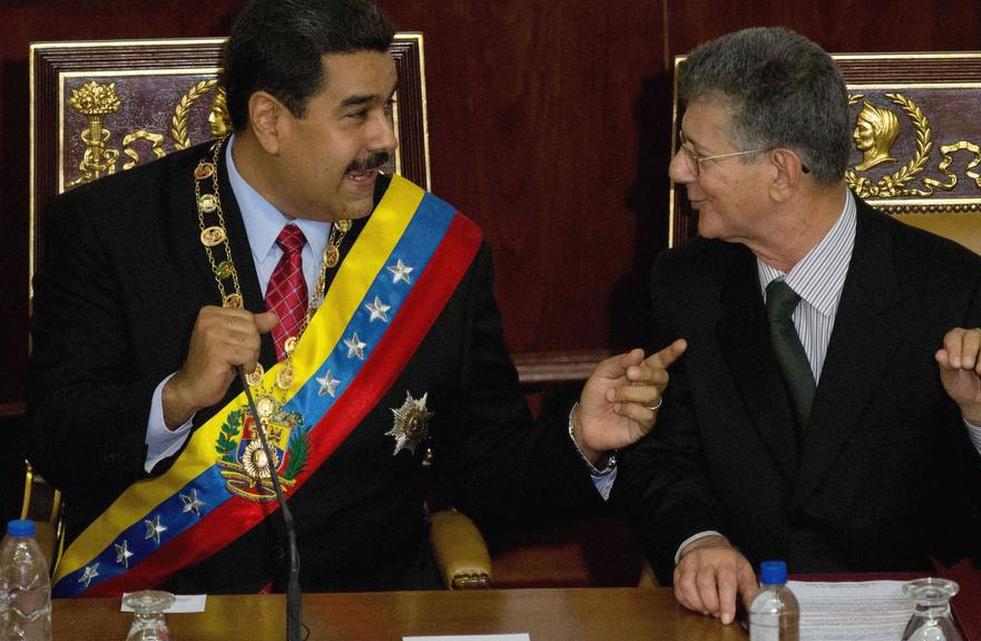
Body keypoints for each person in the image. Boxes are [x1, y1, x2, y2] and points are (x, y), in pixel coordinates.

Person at [25, 0, 684, 597]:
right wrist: (177, 396)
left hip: (368, 606)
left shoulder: (432, 250)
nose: (385, 139)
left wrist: (582, 440)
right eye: (357, 113)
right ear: (270, 120)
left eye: (387, 107)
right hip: (169, 607)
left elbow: (488, 472)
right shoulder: (109, 228)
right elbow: (56, 438)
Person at [613, 27, 981, 624]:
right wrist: (698, 540)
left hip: (917, 623)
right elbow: (660, 458)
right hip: (744, 618)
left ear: (781, 172)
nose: (677, 171)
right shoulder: (684, 286)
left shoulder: (956, 293)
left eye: (698, 155)